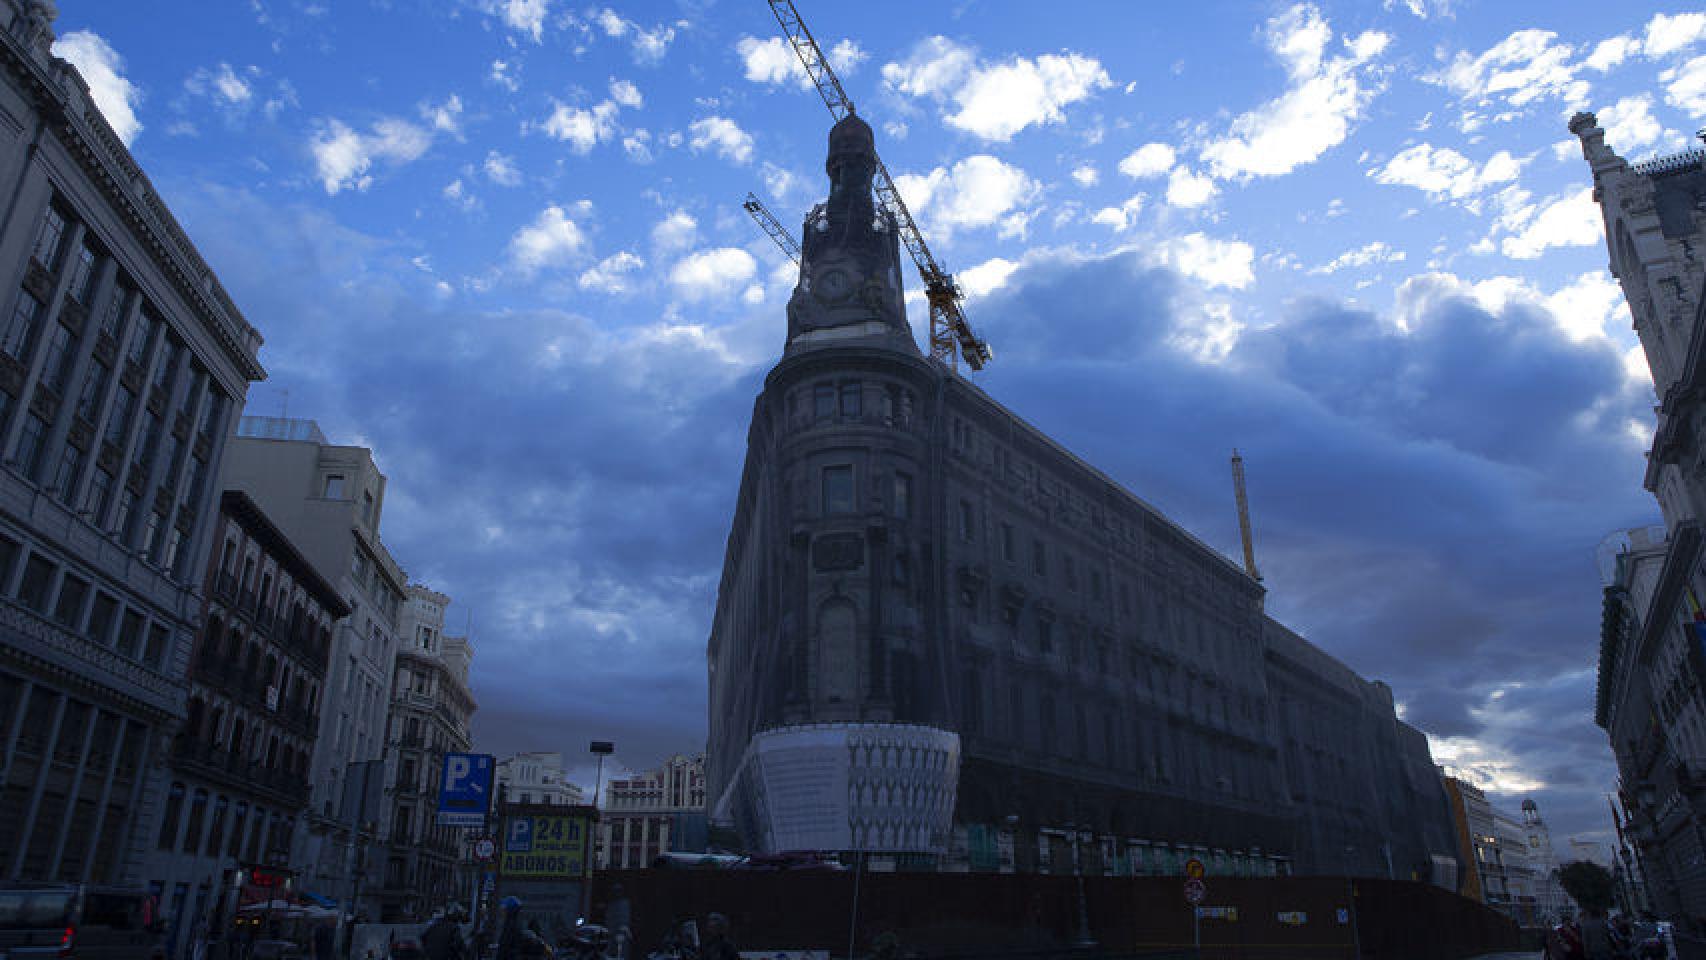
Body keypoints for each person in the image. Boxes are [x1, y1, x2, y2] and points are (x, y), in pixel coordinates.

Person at [605, 886, 631, 960]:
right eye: (615, 891)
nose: (616, 893)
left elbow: (625, 919)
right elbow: (608, 918)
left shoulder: (625, 903)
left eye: (618, 891)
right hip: (611, 932)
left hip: (621, 932)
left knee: (621, 953)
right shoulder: (611, 904)